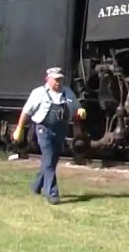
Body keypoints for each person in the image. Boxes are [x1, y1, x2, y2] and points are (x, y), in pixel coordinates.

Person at [12, 67, 86, 204]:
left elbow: (76, 108)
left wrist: (80, 112)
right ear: (48, 79)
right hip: (43, 130)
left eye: (61, 79)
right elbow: (26, 112)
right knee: (49, 158)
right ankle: (52, 193)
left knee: (51, 160)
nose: (59, 82)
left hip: (61, 130)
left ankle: (36, 186)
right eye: (56, 79)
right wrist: (19, 128)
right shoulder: (38, 93)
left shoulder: (68, 93)